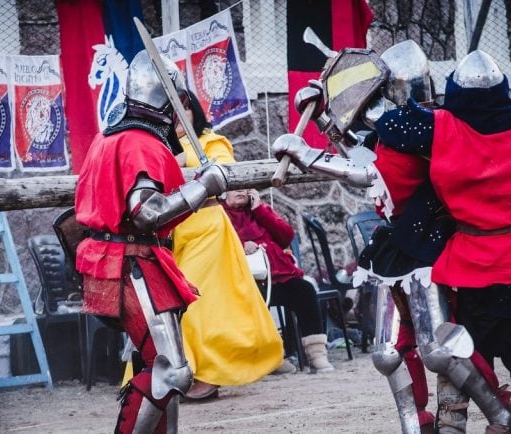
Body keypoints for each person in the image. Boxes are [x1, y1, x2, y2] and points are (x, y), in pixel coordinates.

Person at [277, 42, 511, 434]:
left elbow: (370, 172)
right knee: (387, 353)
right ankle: (416, 423)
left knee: (438, 349)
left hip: (428, 248)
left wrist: (307, 155)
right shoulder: (393, 128)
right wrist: (323, 111)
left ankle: (501, 416)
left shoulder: (429, 128)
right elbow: (362, 149)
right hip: (396, 247)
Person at [369, 49, 511, 433]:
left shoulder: (441, 127)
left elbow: (389, 124)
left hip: (478, 264)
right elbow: (507, 111)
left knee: (460, 349)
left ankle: (453, 422)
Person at [72, 51, 229, 433]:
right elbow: (145, 212)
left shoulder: (109, 138)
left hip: (124, 256)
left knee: (154, 365)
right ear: (166, 101)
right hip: (131, 260)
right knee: (172, 370)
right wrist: (204, 185)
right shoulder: (139, 142)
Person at [171, 91, 283, 400]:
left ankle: (207, 376)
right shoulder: (162, 145)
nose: (178, 117)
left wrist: (181, 160)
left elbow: (222, 172)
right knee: (173, 306)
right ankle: (184, 372)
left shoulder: (211, 142)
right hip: (174, 233)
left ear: (195, 112)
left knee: (195, 305)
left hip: (207, 229)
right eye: (171, 111)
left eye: (184, 110)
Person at [222, 188, 336, 373]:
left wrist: (259, 208)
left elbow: (286, 236)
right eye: (234, 188)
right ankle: (272, 358)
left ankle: (317, 355)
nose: (241, 191)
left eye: (244, 187)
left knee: (304, 290)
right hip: (245, 280)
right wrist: (240, 246)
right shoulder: (219, 214)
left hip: (279, 275)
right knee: (254, 300)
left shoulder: (259, 211)